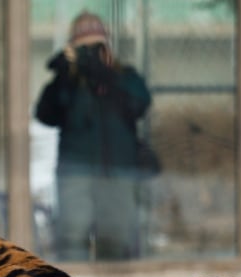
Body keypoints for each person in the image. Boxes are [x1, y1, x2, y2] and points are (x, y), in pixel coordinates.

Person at [35, 11, 153, 261]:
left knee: (117, 241)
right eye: (83, 48)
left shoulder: (124, 76)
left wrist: (108, 76)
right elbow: (46, 114)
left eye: (96, 47)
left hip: (118, 171)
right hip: (75, 171)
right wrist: (64, 76)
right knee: (72, 238)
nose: (90, 54)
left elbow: (140, 104)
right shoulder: (68, 80)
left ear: (107, 47)